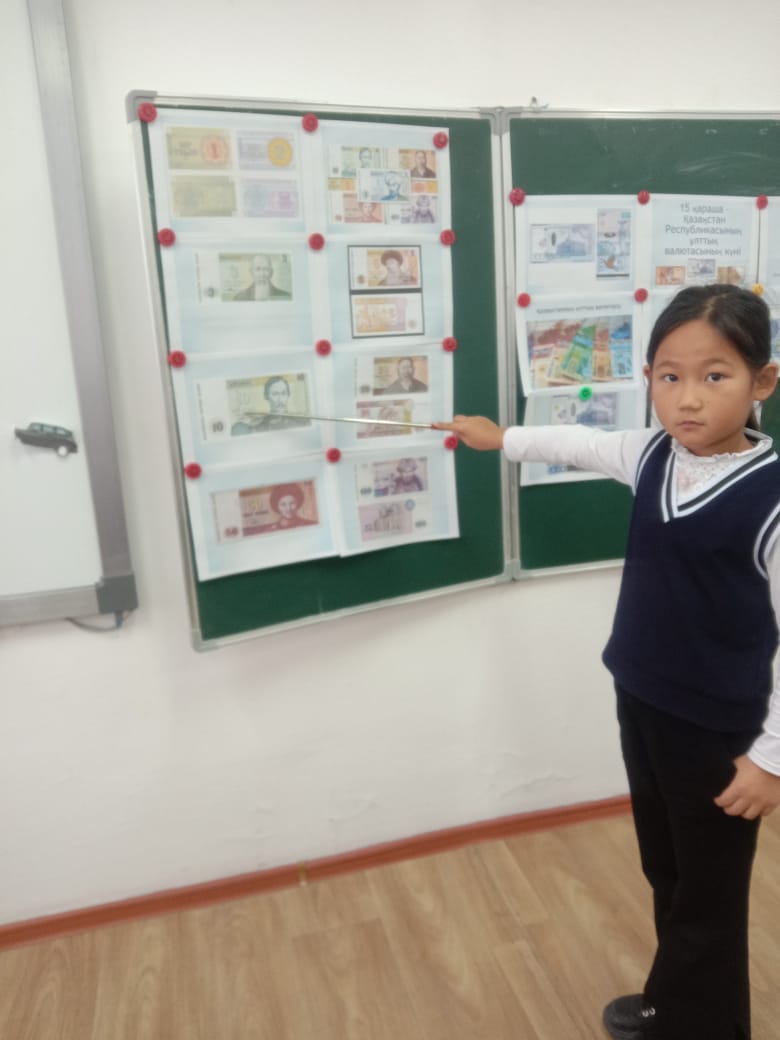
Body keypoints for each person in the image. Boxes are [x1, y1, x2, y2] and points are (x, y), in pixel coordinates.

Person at [434, 284, 780, 1040]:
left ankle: (709, 1027)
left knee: (709, 895)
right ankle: (674, 1004)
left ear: (763, 381)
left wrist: (770, 760)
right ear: (649, 378)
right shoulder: (651, 453)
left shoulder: (771, 499)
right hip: (643, 700)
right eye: (669, 376)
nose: (688, 398)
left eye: (715, 376)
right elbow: (576, 444)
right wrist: (500, 438)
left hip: (719, 731)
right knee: (668, 869)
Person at [231, 375, 308, 434]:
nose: (280, 400)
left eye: (283, 393)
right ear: (266, 396)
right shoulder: (258, 426)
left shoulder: (302, 422)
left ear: (288, 395)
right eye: (275, 394)